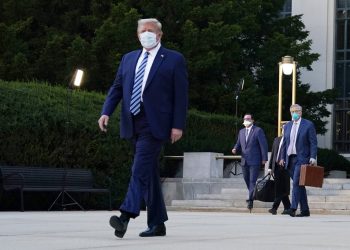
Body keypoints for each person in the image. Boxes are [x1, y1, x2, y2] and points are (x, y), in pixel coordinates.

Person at [98, 18, 188, 238]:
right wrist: (106, 111)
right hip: (132, 122)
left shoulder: (174, 59)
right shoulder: (129, 59)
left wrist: (178, 125)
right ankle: (158, 224)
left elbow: (181, 95)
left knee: (139, 169)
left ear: (159, 35)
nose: (146, 33)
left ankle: (125, 216)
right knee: (147, 173)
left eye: (150, 30)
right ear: (137, 34)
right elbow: (117, 87)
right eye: (142, 30)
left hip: (155, 125)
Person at [278, 104, 317, 217]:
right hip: (290, 159)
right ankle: (305, 210)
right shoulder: (287, 126)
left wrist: (313, 157)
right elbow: (284, 143)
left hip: (302, 158)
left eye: (296, 111)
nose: (294, 113)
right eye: (292, 111)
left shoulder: (308, 125)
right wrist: (281, 157)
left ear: (301, 112)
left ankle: (293, 208)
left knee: (296, 182)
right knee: (300, 184)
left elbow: (313, 142)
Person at [232, 114, 268, 211]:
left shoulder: (258, 130)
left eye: (248, 119)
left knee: (252, 180)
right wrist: (235, 148)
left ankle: (250, 200)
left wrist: (264, 158)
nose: (246, 120)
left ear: (252, 120)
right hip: (244, 160)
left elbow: (263, 145)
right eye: (244, 119)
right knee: (246, 178)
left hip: (255, 160)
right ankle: (253, 194)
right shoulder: (241, 131)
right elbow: (239, 143)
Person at [267, 123, 291, 215]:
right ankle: (288, 207)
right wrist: (270, 168)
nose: (284, 130)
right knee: (282, 189)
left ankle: (274, 208)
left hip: (285, 167)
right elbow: (273, 154)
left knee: (280, 189)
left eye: (286, 128)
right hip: (276, 167)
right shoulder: (276, 139)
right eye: (283, 128)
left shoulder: (290, 140)